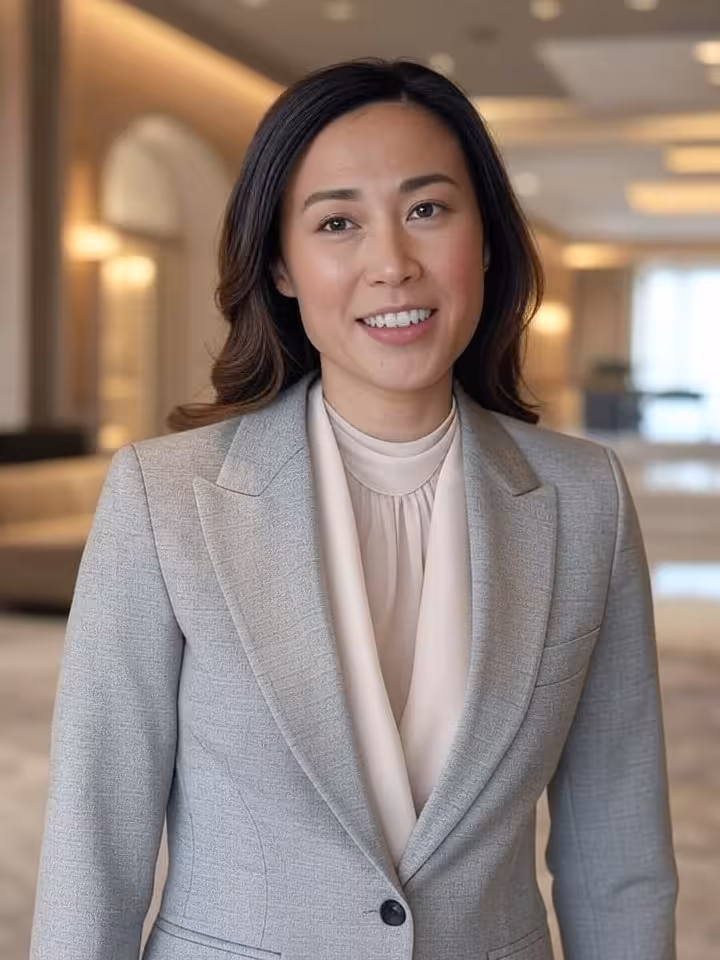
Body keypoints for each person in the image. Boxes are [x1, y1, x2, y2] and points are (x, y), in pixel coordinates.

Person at [30, 59, 677, 960]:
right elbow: (95, 846)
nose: (393, 264)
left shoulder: (583, 498)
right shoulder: (164, 500)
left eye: (427, 209)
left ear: (484, 238)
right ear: (283, 269)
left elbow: (619, 858)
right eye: (338, 222)